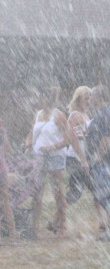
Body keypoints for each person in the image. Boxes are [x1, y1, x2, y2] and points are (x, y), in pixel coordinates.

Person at [26, 87, 86, 239]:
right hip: (39, 157)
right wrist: (27, 144)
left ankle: (63, 225)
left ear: (48, 99)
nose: (38, 100)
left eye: (40, 97)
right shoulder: (38, 114)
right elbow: (32, 132)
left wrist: (52, 148)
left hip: (55, 157)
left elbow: (69, 138)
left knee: (57, 192)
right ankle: (34, 229)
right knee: (37, 192)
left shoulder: (58, 115)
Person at [85, 85, 110, 241]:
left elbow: (106, 138)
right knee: (104, 194)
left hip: (104, 160)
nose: (90, 99)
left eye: (92, 96)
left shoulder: (106, 113)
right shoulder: (101, 113)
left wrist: (97, 156)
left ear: (99, 97)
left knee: (108, 195)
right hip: (102, 160)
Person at [64, 86, 95, 207]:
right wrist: (83, 160)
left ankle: (56, 221)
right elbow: (74, 139)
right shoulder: (75, 115)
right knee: (76, 191)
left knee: (93, 189)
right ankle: (57, 219)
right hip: (76, 157)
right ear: (78, 100)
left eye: (90, 99)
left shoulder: (86, 115)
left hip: (85, 157)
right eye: (86, 99)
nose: (88, 102)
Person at [0, 119, 14, 238]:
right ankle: (12, 233)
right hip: (2, 169)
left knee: (5, 202)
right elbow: (8, 148)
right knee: (6, 202)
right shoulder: (1, 124)